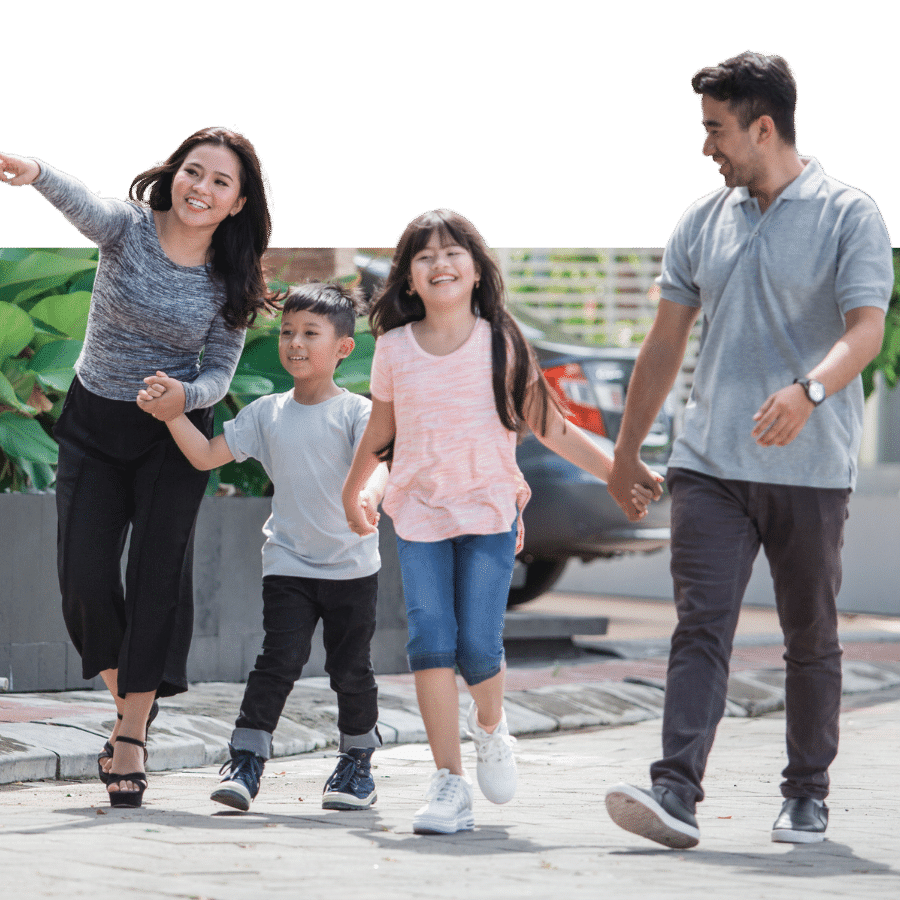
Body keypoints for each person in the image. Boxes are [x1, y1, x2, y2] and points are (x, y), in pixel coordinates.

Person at [603, 51, 893, 848]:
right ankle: (675, 792)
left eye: (717, 131)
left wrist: (810, 392)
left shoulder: (849, 213)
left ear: (764, 128)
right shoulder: (702, 219)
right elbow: (664, 345)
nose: (707, 148)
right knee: (700, 624)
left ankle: (806, 794)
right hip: (709, 463)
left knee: (811, 635)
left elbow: (865, 328)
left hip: (810, 463)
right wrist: (628, 452)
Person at [342, 209, 662, 834]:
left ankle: (491, 728)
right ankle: (448, 784)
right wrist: (359, 487)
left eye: (452, 252)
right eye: (424, 256)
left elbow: (553, 428)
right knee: (429, 641)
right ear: (408, 279)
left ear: (476, 268)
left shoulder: (502, 342)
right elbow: (383, 435)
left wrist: (618, 472)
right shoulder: (395, 349)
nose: (439, 263)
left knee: (478, 646)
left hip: (488, 512)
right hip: (420, 513)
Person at [0, 126, 275, 808]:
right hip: (94, 423)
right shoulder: (128, 231)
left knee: (157, 580)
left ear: (238, 203)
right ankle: (135, 706)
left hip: (173, 436)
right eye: (194, 171)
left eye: (220, 182)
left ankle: (129, 736)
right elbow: (80, 202)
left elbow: (219, 371)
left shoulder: (231, 278)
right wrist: (33, 168)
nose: (201, 188)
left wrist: (185, 399)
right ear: (173, 173)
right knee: (85, 579)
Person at [154, 282, 389, 812]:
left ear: (343, 348)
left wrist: (369, 498)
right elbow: (206, 456)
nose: (295, 343)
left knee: (351, 670)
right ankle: (246, 759)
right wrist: (173, 414)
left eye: (310, 333)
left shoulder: (357, 412)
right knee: (277, 660)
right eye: (287, 332)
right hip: (288, 561)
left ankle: (356, 764)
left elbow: (381, 466)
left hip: (352, 567)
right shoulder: (266, 413)